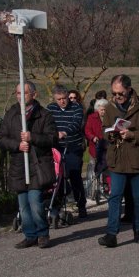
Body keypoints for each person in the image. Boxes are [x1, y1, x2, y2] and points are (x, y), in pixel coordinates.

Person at [97, 74, 139, 247]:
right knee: (115, 196)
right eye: (114, 93)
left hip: (138, 158)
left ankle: (138, 230)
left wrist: (133, 135)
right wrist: (108, 134)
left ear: (129, 89)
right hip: (117, 159)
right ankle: (111, 233)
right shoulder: (110, 107)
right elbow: (104, 128)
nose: (117, 97)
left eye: (120, 93)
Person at [0, 81, 57, 249]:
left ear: (34, 94)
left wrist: (33, 138)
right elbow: (0, 139)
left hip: (38, 165)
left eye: (24, 93)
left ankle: (43, 234)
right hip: (19, 166)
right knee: (23, 205)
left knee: (35, 202)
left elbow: (52, 138)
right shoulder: (11, 114)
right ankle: (30, 235)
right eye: (17, 93)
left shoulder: (44, 115)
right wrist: (17, 145)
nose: (20, 96)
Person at [46, 85, 87, 218]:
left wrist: (65, 132)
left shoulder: (76, 107)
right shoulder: (50, 108)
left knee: (74, 175)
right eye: (59, 99)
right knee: (57, 177)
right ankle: (56, 206)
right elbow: (46, 123)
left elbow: (76, 123)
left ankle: (81, 205)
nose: (62, 101)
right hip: (56, 147)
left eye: (64, 98)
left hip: (73, 146)